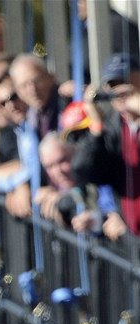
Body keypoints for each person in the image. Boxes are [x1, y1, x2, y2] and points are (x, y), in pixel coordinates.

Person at [73, 53, 140, 241]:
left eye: (125, 81)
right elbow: (83, 171)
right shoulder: (114, 128)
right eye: (112, 85)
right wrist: (96, 125)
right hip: (131, 243)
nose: (120, 91)